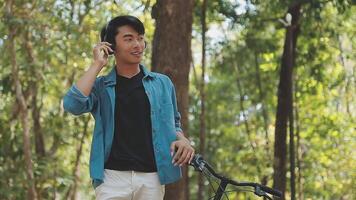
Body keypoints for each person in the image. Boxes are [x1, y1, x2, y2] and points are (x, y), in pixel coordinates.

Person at [63, 15, 195, 200]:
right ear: (110, 46)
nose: (138, 44)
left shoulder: (162, 83)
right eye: (129, 39)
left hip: (152, 177)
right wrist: (97, 64)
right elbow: (72, 104)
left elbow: (173, 122)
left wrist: (183, 140)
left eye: (140, 38)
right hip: (111, 178)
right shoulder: (101, 86)